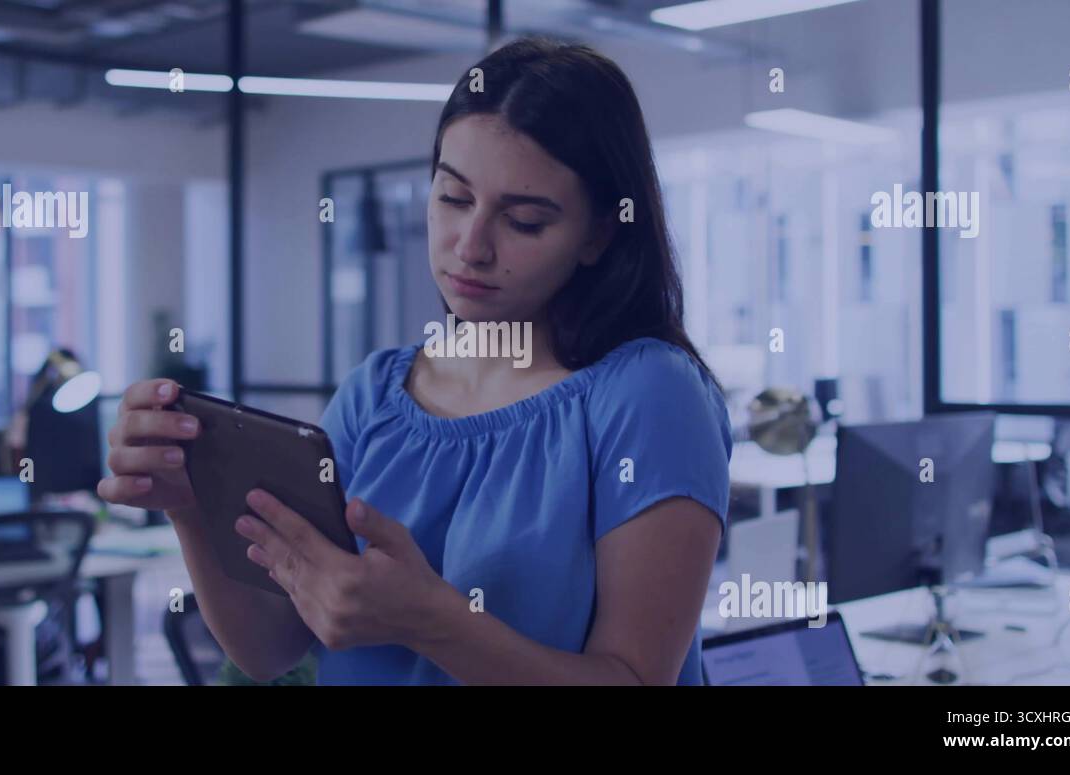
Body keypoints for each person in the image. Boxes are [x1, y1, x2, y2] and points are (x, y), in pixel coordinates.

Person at [98, 36, 732, 685]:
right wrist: (189, 506)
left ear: (598, 233)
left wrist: (432, 621)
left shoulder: (649, 393)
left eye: (524, 222)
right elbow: (271, 648)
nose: (471, 246)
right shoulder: (374, 393)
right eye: (453, 199)